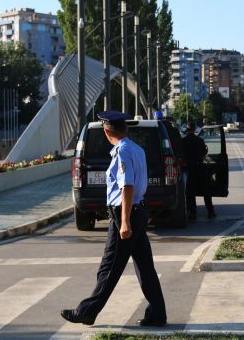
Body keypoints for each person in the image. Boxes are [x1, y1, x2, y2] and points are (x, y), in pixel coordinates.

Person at [61, 111, 166, 327]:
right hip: (137, 211)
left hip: (124, 214)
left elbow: (127, 186)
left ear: (107, 131)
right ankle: (157, 313)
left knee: (109, 267)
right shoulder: (136, 149)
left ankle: (87, 311)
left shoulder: (122, 152)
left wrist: (125, 221)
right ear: (124, 129)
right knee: (145, 267)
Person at [182, 122, 216, 219]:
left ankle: (193, 213)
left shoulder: (183, 141)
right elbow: (204, 153)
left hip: (189, 170)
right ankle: (210, 212)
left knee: (190, 193)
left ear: (187, 130)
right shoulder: (199, 140)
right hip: (200, 168)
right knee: (206, 192)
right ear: (194, 130)